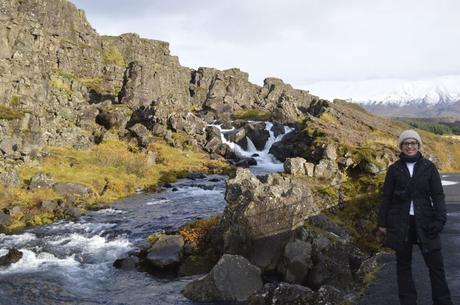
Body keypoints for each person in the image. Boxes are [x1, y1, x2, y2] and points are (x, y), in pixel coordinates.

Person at [378, 129, 453, 305]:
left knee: (436, 266)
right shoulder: (394, 169)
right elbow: (386, 197)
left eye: (413, 143)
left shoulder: (429, 167)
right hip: (400, 223)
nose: (410, 146)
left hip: (426, 222)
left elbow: (438, 195)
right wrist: (382, 223)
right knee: (403, 266)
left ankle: (443, 301)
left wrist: (440, 219)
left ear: (418, 145)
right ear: (401, 147)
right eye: (406, 143)